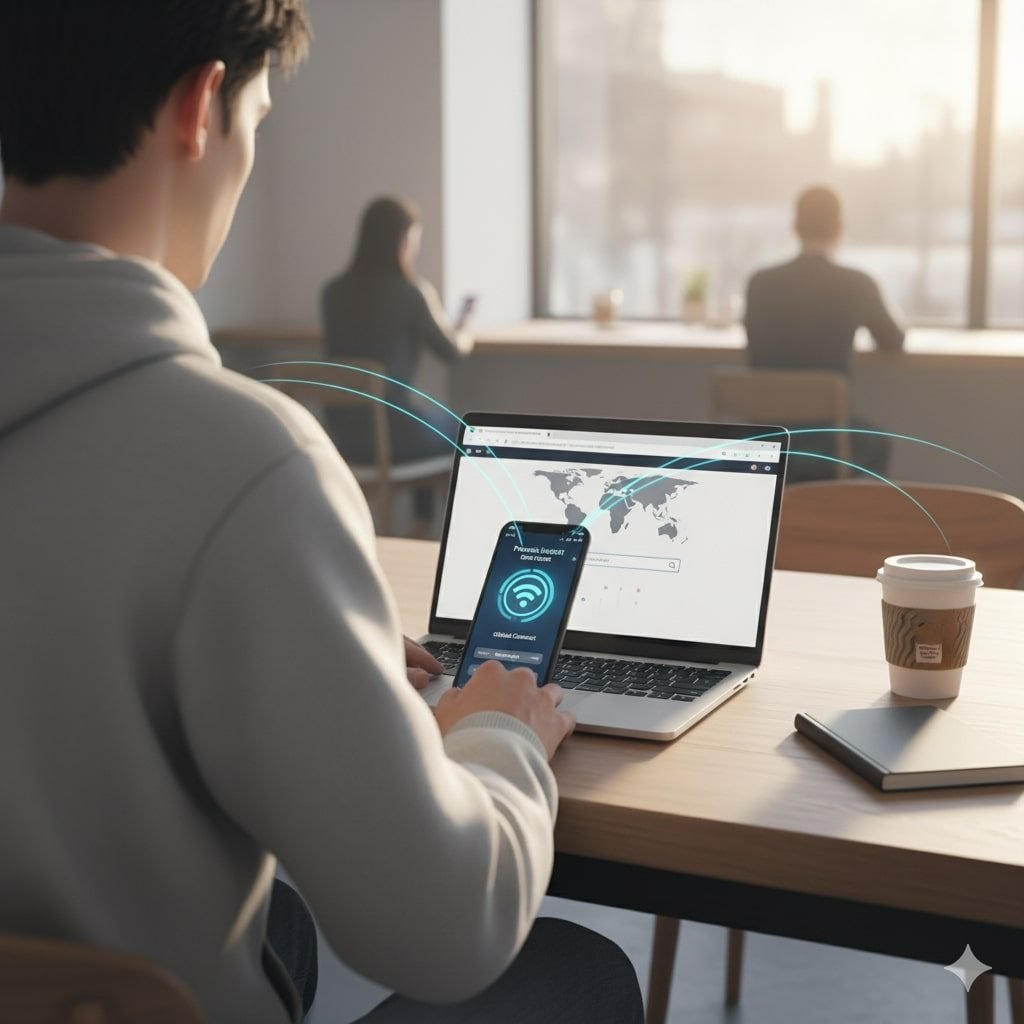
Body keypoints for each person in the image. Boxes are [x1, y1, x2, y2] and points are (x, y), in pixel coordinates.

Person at [0, 4, 643, 1024]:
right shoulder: (240, 459)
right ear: (201, 106)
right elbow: (445, 929)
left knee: (280, 924)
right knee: (577, 968)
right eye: (259, 118)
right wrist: (497, 736)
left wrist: (305, 647)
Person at [321, 197, 473, 533]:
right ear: (403, 241)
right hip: (392, 434)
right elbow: (450, 351)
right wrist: (464, 332)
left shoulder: (332, 293)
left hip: (343, 435)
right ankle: (428, 527)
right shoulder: (411, 294)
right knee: (462, 430)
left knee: (422, 413)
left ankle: (420, 523)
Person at [744, 185, 906, 482]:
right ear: (838, 229)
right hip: (828, 435)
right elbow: (893, 339)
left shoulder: (760, 283)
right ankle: (829, 507)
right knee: (876, 443)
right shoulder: (857, 284)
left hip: (767, 436)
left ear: (795, 227)